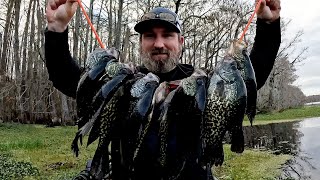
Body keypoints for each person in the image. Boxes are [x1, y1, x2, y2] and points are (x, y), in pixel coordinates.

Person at [44, 0, 281, 179]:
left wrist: (268, 25)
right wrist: (56, 29)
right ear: (140, 43)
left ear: (181, 42)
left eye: (167, 35)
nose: (159, 44)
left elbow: (250, 80)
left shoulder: (203, 83)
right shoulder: (122, 84)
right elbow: (70, 80)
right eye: (150, 36)